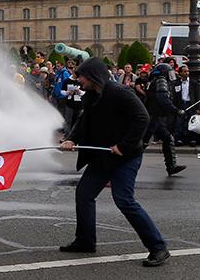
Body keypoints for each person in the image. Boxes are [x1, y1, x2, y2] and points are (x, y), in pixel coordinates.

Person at [58, 58, 170, 267]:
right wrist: (71, 139)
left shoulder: (120, 92)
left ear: (93, 76)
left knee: (124, 200)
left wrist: (124, 145)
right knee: (84, 194)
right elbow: (84, 121)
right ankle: (85, 241)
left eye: (81, 75)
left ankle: (158, 247)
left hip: (125, 157)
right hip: (103, 157)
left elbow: (142, 118)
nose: (78, 79)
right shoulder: (91, 96)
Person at [143, 63, 187, 176]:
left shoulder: (155, 80)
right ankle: (122, 167)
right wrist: (176, 111)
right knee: (140, 144)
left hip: (155, 116)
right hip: (153, 117)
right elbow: (163, 99)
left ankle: (171, 167)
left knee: (167, 138)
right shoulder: (161, 81)